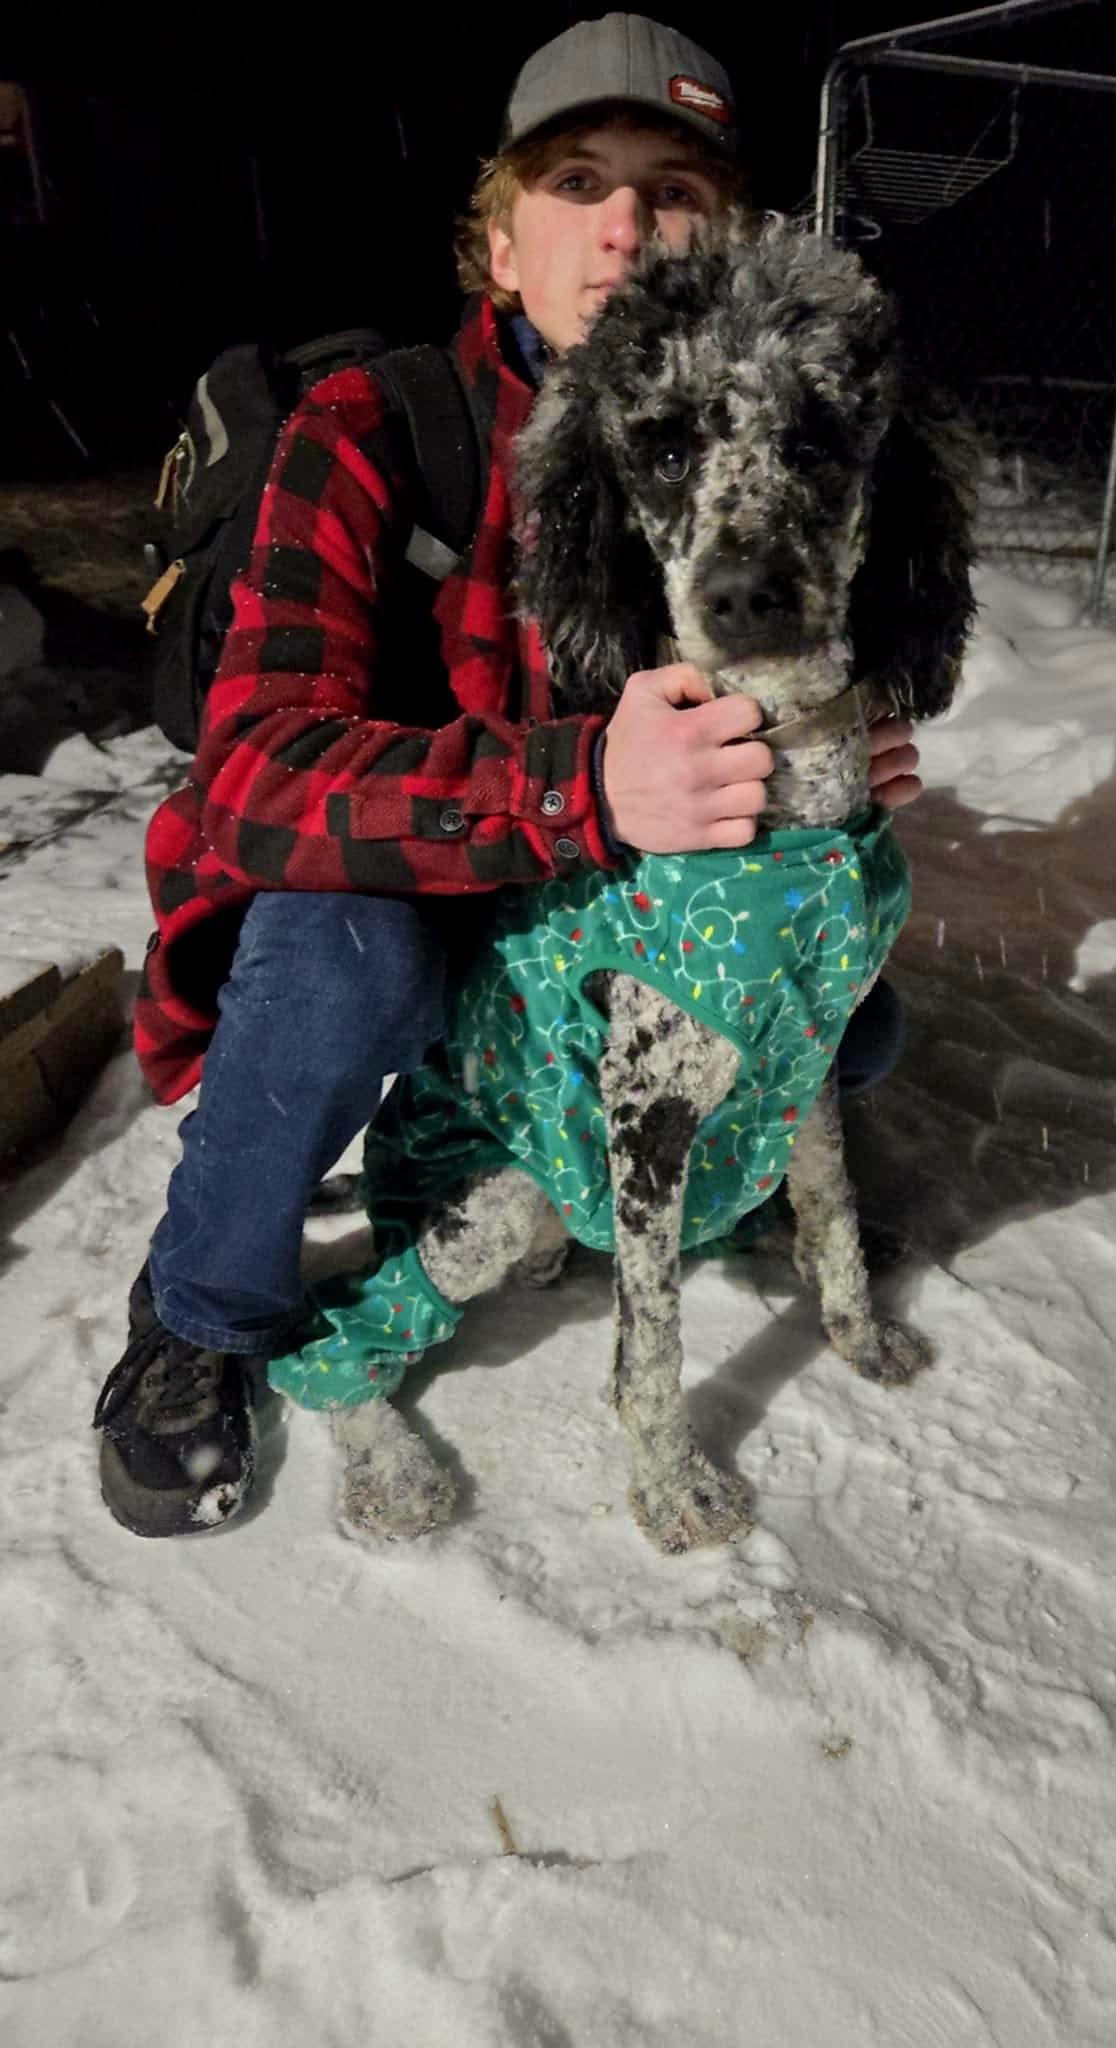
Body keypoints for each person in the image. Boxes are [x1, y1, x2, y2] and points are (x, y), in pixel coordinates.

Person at [93, 13, 925, 1539]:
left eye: (674, 187)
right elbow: (254, 781)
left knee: (855, 1024)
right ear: (499, 241)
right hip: (399, 897)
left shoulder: (735, 441)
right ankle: (203, 1306)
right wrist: (585, 789)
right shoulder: (373, 430)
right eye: (576, 181)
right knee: (351, 956)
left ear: (724, 238)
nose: (626, 221)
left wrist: (830, 752)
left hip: (600, 923)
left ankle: (669, 1172)